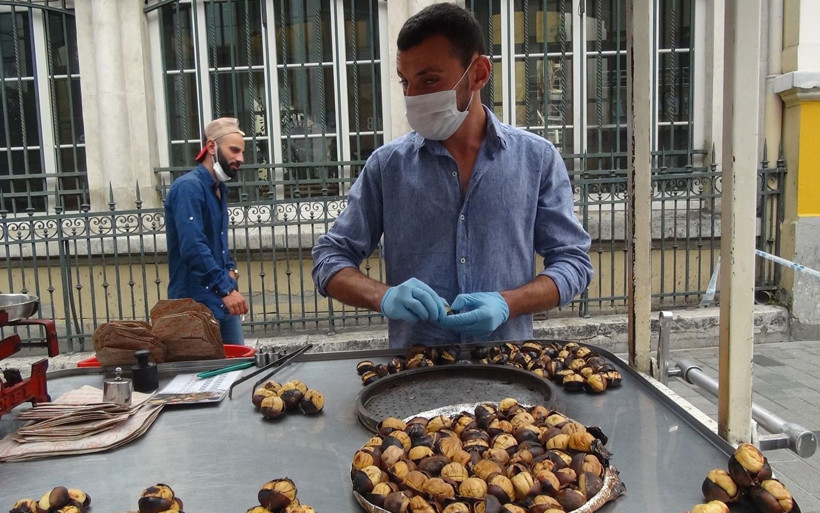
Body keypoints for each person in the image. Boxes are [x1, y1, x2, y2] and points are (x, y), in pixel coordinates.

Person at [311, 3, 592, 348]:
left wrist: (508, 303)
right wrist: (382, 296)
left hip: (506, 374)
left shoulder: (536, 159)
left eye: (429, 80)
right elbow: (329, 259)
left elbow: (573, 262)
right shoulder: (387, 167)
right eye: (405, 82)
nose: (413, 97)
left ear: (478, 74)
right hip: (415, 375)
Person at [165, 117, 250, 345]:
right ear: (211, 146)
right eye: (234, 150)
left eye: (241, 152)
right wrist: (226, 289)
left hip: (221, 298)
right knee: (199, 376)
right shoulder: (188, 187)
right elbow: (193, 247)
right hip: (195, 305)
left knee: (235, 369)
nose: (240, 159)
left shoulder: (220, 189)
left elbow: (218, 243)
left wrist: (231, 269)